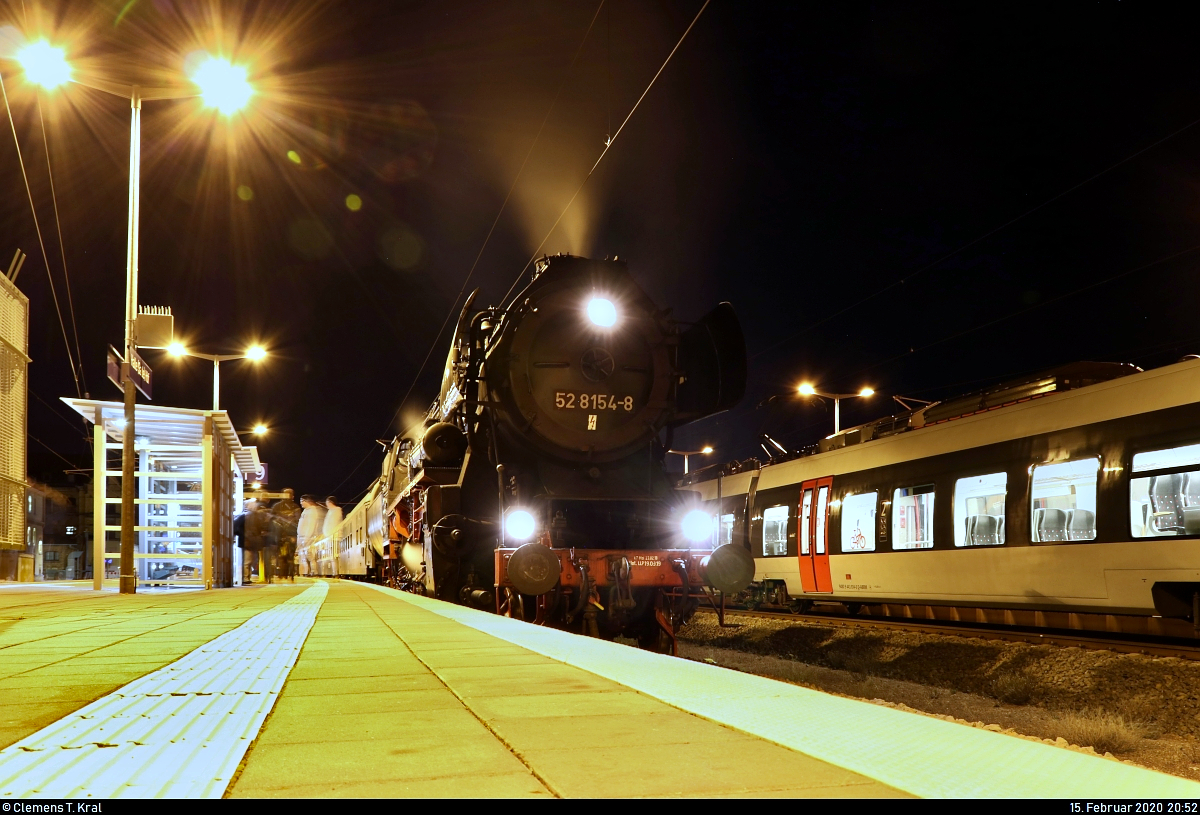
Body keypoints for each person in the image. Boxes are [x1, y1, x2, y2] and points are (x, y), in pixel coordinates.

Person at [272, 496, 300, 583]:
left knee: (289, 558)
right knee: (282, 558)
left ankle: (289, 575)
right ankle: (283, 574)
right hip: (282, 536)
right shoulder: (277, 506)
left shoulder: (295, 507)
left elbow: (297, 520)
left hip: (289, 536)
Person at [297, 495, 326, 577]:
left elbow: (311, 525)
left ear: (307, 501)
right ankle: (308, 571)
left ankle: (314, 571)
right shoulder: (306, 511)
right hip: (302, 537)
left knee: (310, 555)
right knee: (305, 556)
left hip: (307, 537)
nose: (301, 503)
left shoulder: (312, 511)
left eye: (302, 501)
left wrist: (307, 537)